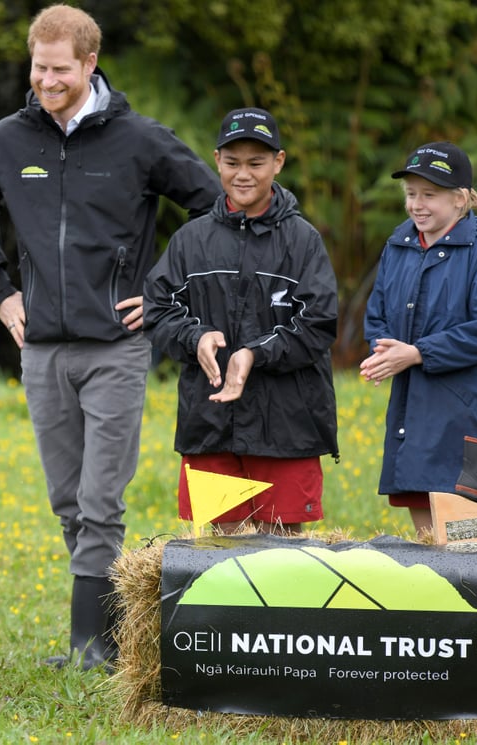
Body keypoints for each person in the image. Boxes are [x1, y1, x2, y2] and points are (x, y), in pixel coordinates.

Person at [0, 3, 220, 673]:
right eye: (39, 68)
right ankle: (113, 631)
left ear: (91, 63)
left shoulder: (141, 140)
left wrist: (162, 289)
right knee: (68, 499)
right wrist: (2, 295)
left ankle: (92, 646)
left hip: (116, 349)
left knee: (101, 500)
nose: (47, 81)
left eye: (61, 70)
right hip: (41, 347)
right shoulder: (6, 141)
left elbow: (212, 206)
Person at [144, 107, 340, 536]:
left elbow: (319, 323)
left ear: (279, 162)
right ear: (216, 160)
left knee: (284, 555)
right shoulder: (190, 240)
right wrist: (193, 337)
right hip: (210, 424)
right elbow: (157, 309)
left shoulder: (303, 240)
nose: (243, 174)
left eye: (256, 163)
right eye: (232, 163)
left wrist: (255, 352)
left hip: (288, 426)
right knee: (220, 557)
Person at [360, 142, 477, 539]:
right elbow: (378, 314)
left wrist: (418, 353)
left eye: (429, 195)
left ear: (459, 200)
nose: (417, 204)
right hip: (412, 423)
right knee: (430, 550)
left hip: (466, 425)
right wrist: (384, 353)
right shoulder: (397, 246)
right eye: (411, 194)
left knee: (471, 555)